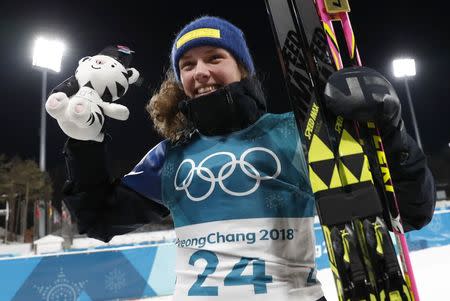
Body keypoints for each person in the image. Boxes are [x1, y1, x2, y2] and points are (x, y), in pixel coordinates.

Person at [58, 16, 436, 301]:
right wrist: (84, 144)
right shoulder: (171, 153)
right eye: (187, 65)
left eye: (213, 57)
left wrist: (391, 128)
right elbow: (100, 218)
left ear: (242, 67)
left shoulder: (299, 133)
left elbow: (412, 210)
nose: (200, 72)